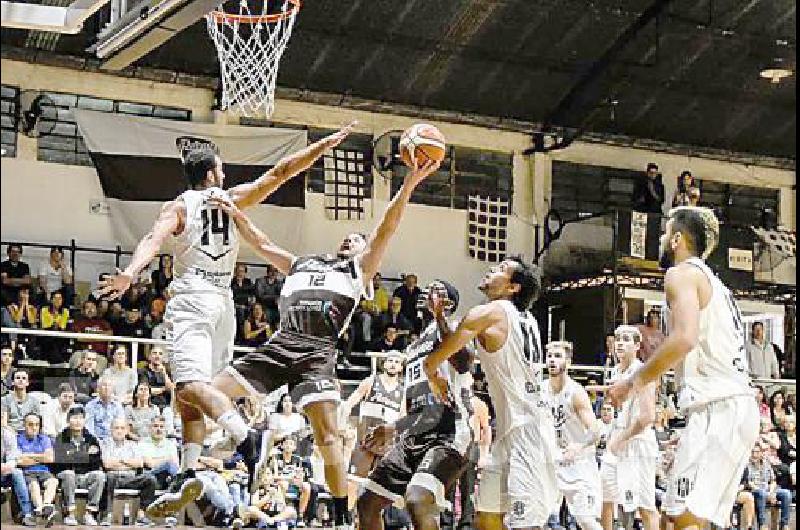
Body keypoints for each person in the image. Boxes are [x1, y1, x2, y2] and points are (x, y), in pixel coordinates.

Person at [97, 124, 356, 518]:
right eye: (221, 170)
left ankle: (245, 435)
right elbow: (282, 171)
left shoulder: (179, 207)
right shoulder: (232, 199)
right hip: (224, 305)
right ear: (213, 174)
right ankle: (186, 472)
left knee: (189, 385)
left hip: (194, 298)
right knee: (191, 396)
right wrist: (324, 144)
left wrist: (131, 272)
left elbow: (153, 238)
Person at [207, 156, 441, 528]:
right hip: (280, 344)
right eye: (348, 237)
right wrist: (234, 210)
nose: (352, 238)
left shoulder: (358, 271)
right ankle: (228, 444)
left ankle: (337, 511)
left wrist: (409, 183)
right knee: (203, 393)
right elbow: (261, 242)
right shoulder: (304, 264)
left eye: (359, 239)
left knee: (329, 438)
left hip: (317, 352)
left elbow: (387, 227)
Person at [608, 206, 759, 530]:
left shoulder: (682, 274)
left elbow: (684, 339)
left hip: (720, 407)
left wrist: (632, 383)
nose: (661, 239)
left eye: (664, 233)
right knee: (678, 516)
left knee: (684, 518)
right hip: (728, 406)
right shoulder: (713, 283)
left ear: (677, 238)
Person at [422, 259, 557, 530]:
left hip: (529, 431)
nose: (491, 269)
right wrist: (439, 319)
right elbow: (463, 358)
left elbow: (441, 356)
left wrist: (431, 372)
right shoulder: (524, 317)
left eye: (500, 269)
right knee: (486, 518)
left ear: (513, 287)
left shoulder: (490, 312)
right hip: (511, 428)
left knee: (525, 524)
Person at [357, 280, 474, 530]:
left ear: (448, 303)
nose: (427, 292)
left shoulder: (455, 328)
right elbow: (415, 404)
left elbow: (463, 362)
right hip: (416, 433)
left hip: (449, 430)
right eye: (428, 288)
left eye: (436, 290)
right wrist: (394, 427)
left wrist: (440, 317)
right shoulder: (411, 347)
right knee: (366, 503)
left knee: (418, 500)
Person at [599, 326, 658, 530]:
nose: (620, 343)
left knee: (645, 506)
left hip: (637, 443)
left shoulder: (644, 372)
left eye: (626, 339)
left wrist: (621, 438)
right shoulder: (615, 371)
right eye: (617, 339)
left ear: (637, 345)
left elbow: (648, 417)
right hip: (616, 440)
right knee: (605, 498)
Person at [542, 341, 603, 530]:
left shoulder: (576, 392)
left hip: (579, 464)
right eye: (550, 356)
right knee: (541, 518)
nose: (552, 360)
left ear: (568, 362)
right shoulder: (541, 390)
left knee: (586, 521)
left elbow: (595, 430)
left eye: (558, 356)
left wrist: (579, 445)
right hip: (553, 461)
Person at [341, 351, 404, 510]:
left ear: (401, 368)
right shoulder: (370, 382)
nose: (392, 364)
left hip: (387, 446)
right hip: (365, 442)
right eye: (390, 360)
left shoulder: (403, 392)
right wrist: (344, 425)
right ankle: (347, 521)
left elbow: (404, 420)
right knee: (353, 482)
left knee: (379, 489)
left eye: (396, 362)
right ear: (384, 363)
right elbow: (348, 404)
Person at [53, 405, 105, 526]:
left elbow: (96, 461)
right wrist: (85, 454)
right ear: (68, 420)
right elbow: (60, 461)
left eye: (80, 418)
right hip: (66, 475)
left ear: (84, 420)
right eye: (74, 418)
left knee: (99, 475)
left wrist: (72, 454)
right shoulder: (61, 438)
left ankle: (90, 513)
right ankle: (70, 514)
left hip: (85, 475)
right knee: (69, 474)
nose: (77, 421)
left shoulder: (91, 438)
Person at [100, 417, 157, 526]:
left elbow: (139, 463)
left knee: (150, 479)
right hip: (113, 478)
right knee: (109, 477)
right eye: (116, 428)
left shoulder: (133, 445)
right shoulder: (105, 444)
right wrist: (129, 464)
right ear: (111, 430)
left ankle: (141, 515)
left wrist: (121, 461)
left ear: (126, 431)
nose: (119, 431)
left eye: (122, 428)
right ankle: (107, 515)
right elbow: (107, 464)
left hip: (131, 479)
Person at [16, 412, 59, 526]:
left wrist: (29, 455)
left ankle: (46, 506)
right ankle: (41, 510)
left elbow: (50, 458)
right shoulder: (18, 439)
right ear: (24, 425)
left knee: (53, 481)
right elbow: (19, 460)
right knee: (34, 486)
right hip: (27, 472)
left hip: (44, 471)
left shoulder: (44, 438)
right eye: (30, 424)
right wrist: (40, 457)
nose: (34, 427)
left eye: (37, 425)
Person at [1, 407, 36, 526]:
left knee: (17, 472)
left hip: (3, 473)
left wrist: (8, 465)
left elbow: (12, 456)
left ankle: (27, 514)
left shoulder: (7, 434)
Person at [745, 444, 792, 530]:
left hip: (768, 490)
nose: (754, 455)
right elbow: (749, 483)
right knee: (761, 493)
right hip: (756, 491)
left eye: (757, 452)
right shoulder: (747, 465)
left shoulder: (766, 463)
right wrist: (767, 494)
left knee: (786, 493)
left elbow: (773, 481)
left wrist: (771, 492)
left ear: (761, 453)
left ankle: (784, 524)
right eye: (753, 452)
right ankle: (762, 524)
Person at [139, 415, 179, 489]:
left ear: (165, 429)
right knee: (168, 464)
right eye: (155, 426)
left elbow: (175, 465)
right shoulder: (142, 443)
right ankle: (177, 487)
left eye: (161, 427)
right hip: (150, 477)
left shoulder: (170, 444)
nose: (158, 429)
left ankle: (176, 486)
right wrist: (167, 458)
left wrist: (157, 460)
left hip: (167, 476)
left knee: (172, 467)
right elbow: (150, 464)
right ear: (150, 428)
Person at [84, 376, 125, 441]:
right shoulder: (90, 406)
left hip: (114, 441)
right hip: (96, 441)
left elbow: (120, 427)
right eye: (104, 385)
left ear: (112, 389)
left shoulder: (117, 406)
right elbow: (89, 428)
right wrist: (96, 442)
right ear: (98, 389)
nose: (107, 388)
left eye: (109, 385)